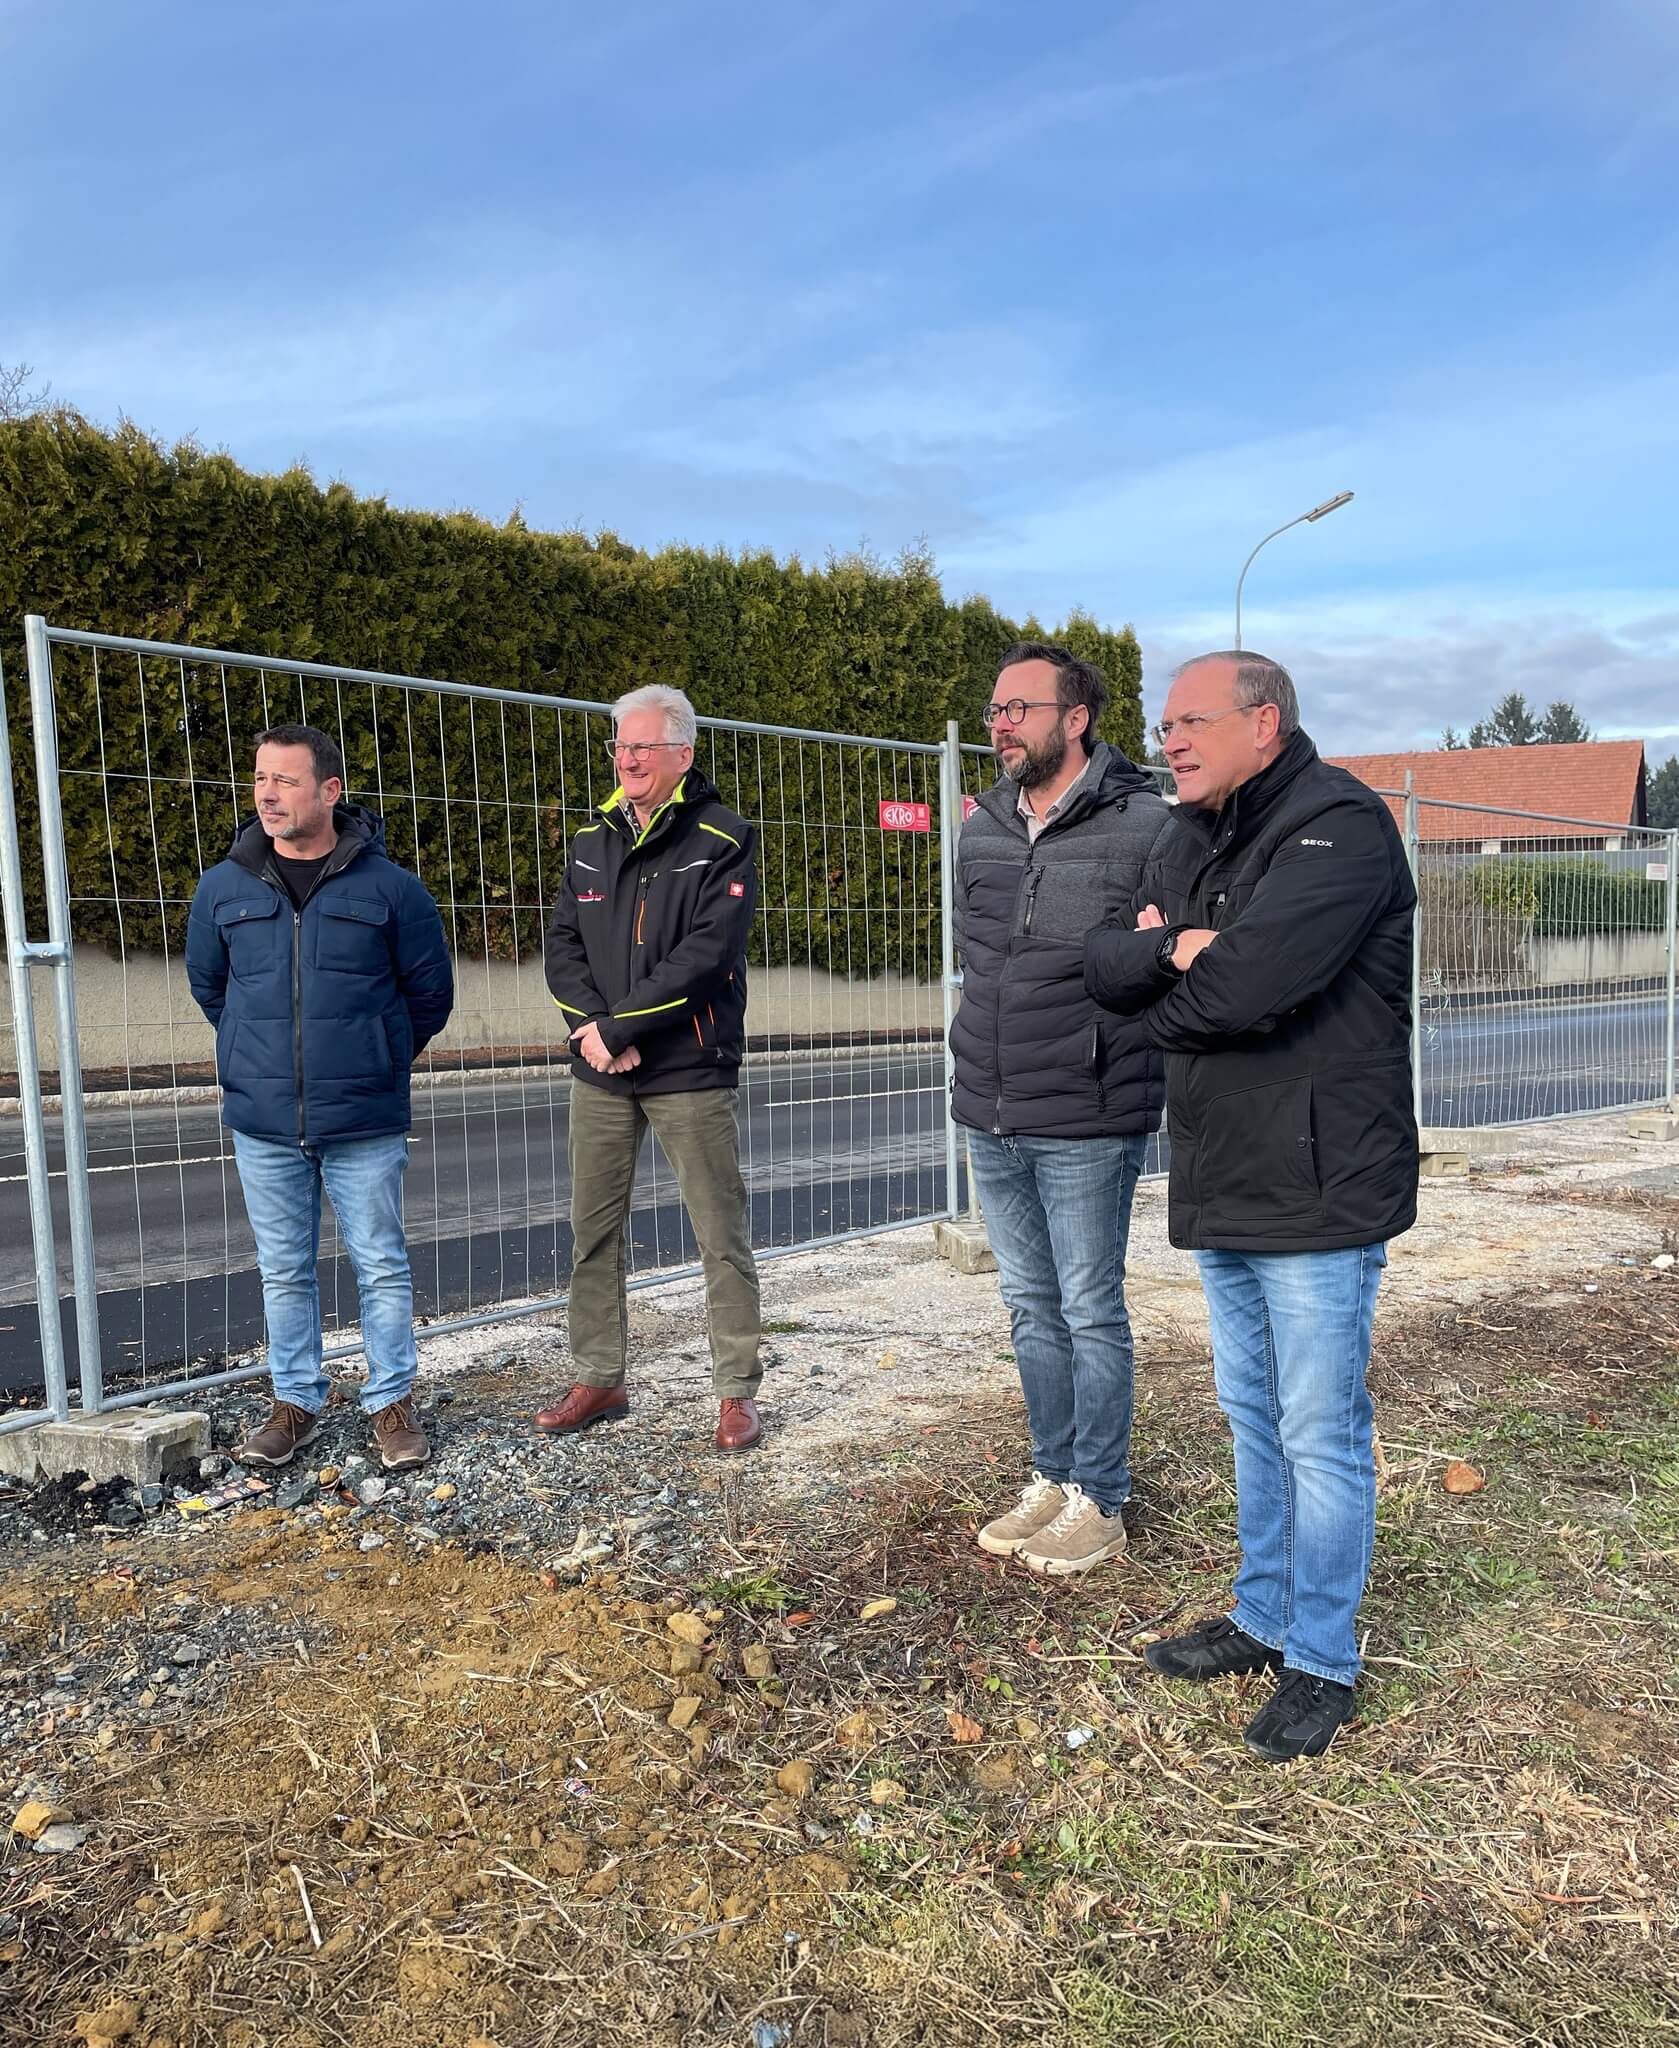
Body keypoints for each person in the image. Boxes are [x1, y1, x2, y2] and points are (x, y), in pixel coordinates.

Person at [1085, 651, 1418, 1761]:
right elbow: (1105, 958)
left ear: (1262, 722)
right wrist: (1174, 947)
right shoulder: (1191, 832)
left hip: (1318, 1181)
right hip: (1222, 1170)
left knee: (1319, 1431)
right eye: (1161, 721)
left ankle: (1320, 1657)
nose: (1166, 740)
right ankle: (1261, 1612)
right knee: (1250, 1414)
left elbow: (1242, 987)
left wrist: (1177, 960)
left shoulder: (1340, 827)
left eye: (1188, 720)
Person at [951, 641, 1172, 1574]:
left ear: (1073, 719)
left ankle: (1101, 1496)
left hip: (1087, 1107)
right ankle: (1051, 1471)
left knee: (1088, 1308)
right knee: (1027, 1307)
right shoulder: (982, 828)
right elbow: (980, 955)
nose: (1000, 724)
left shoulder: (1145, 824)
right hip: (990, 1103)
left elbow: (1160, 958)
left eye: (1019, 709)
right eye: (995, 710)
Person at [186, 724, 454, 1473]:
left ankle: (392, 1404)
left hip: (363, 1116)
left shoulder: (391, 889)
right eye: (260, 778)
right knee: (284, 1268)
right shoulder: (224, 886)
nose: (267, 794)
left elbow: (429, 994)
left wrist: (373, 1057)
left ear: (330, 791)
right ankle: (295, 1402)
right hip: (263, 1120)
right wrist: (256, 1056)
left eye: (286, 780)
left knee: (381, 1264)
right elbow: (212, 987)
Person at [540, 684, 764, 1452]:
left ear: (683, 754)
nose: (628, 760)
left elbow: (707, 954)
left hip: (689, 1064)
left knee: (718, 1235)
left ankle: (736, 1392)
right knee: (593, 1233)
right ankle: (598, 1376)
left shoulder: (722, 836)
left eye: (642, 747)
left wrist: (624, 1026)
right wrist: (593, 1033)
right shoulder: (589, 840)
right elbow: (563, 946)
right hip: (600, 1068)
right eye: (619, 747)